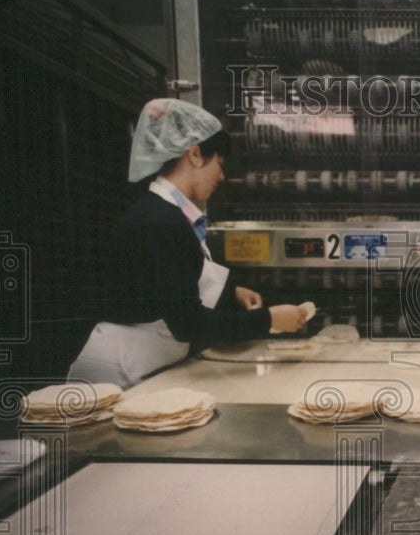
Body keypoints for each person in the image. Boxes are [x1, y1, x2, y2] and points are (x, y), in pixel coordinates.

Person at [68, 98, 307, 388]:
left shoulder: (165, 213)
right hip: (121, 370)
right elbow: (188, 323)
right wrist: (270, 319)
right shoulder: (158, 221)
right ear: (195, 155)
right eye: (219, 163)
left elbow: (167, 282)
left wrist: (232, 291)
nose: (221, 176)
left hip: (143, 364)